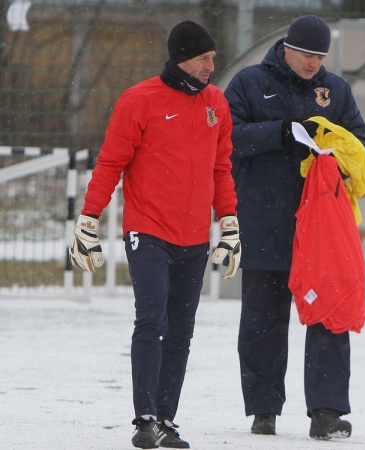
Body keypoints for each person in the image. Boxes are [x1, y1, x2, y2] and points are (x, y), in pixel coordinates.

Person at [68, 20, 241, 449]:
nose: (211, 65)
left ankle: (166, 419)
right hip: (148, 232)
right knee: (152, 321)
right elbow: (110, 163)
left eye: (213, 58)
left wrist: (229, 222)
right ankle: (144, 418)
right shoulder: (139, 100)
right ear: (183, 57)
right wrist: (89, 218)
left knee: (182, 329)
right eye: (204, 58)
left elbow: (222, 168)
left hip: (194, 238)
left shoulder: (216, 103)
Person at [223, 15, 365, 440]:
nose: (312, 63)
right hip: (264, 220)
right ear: (286, 47)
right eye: (306, 54)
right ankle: (264, 409)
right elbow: (229, 139)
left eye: (320, 56)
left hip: (322, 228)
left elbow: (360, 147)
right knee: (262, 321)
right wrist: (283, 133)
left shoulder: (336, 91)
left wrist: (336, 159)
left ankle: (327, 413)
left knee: (329, 315)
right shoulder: (249, 83)